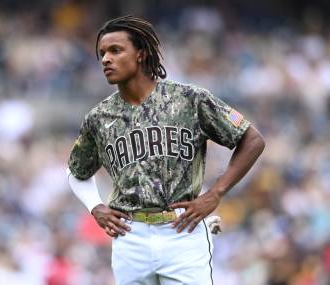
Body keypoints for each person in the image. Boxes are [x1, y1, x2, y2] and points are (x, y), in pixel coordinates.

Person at [67, 15, 265, 285]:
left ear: (141, 54)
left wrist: (215, 193)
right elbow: (77, 172)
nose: (105, 59)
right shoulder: (99, 117)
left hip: (182, 229)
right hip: (129, 235)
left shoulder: (189, 99)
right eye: (102, 53)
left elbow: (251, 139)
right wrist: (95, 207)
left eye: (115, 50)